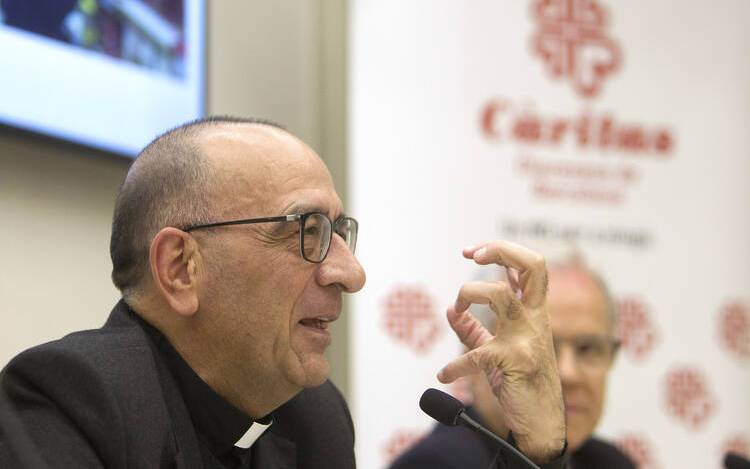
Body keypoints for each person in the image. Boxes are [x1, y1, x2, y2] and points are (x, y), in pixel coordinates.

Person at [0, 117, 568, 468]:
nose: (351, 273)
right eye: (306, 233)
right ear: (180, 268)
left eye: (339, 234)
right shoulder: (69, 402)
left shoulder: (312, 421)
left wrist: (537, 450)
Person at [389, 259, 635, 469]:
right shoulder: (439, 462)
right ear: (476, 355)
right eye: (543, 351)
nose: (569, 374)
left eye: (589, 348)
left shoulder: (609, 461)